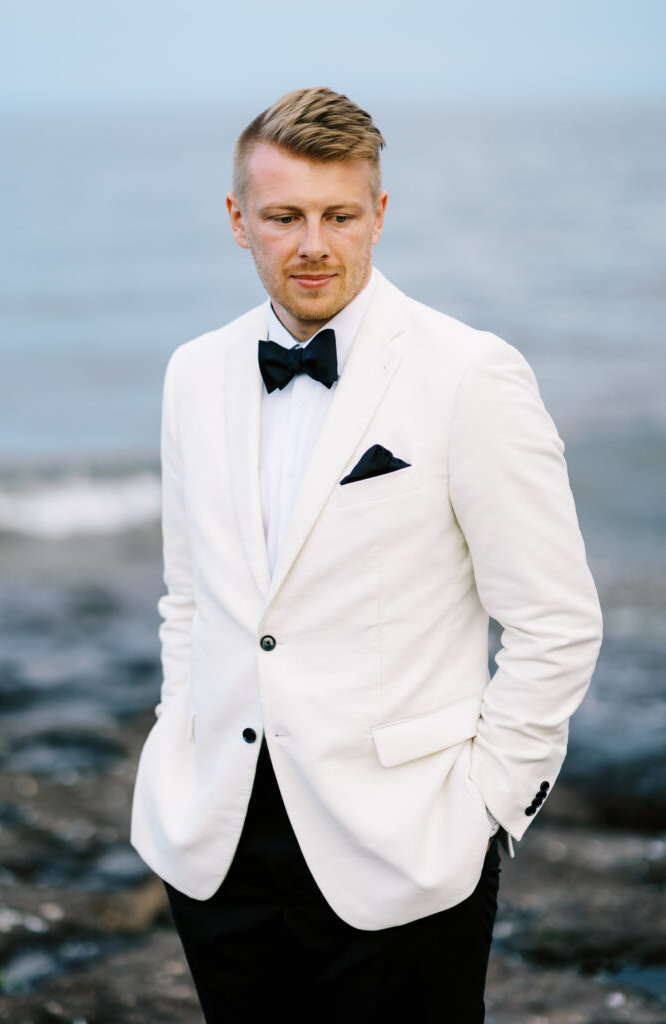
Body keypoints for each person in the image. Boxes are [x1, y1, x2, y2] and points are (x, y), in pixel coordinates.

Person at [131, 87, 602, 1023]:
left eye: (339, 215)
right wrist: (178, 732)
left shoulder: (470, 374)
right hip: (216, 843)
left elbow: (555, 619)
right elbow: (190, 598)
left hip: (406, 851)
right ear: (238, 221)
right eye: (284, 217)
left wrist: (487, 808)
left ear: (378, 214)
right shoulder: (193, 373)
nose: (313, 244)